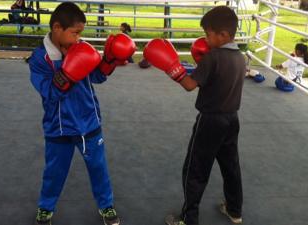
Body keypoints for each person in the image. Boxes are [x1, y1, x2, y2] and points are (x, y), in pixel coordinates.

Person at [28, 2, 135, 225]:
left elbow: (97, 76)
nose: (78, 39)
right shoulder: (40, 58)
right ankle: (46, 208)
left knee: (98, 168)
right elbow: (48, 93)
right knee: (54, 172)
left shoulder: (82, 47)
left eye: (80, 34)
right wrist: (67, 72)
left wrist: (110, 60)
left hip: (88, 122)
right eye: (75, 33)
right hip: (58, 127)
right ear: (57, 28)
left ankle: (106, 206)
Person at [143, 6, 245, 225]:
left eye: (209, 35)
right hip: (232, 120)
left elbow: (189, 85)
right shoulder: (240, 57)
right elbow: (216, 80)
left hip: (210, 122)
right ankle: (235, 211)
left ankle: (188, 218)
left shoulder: (213, 57)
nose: (206, 40)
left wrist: (173, 68)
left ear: (223, 35)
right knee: (231, 166)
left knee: (195, 169)